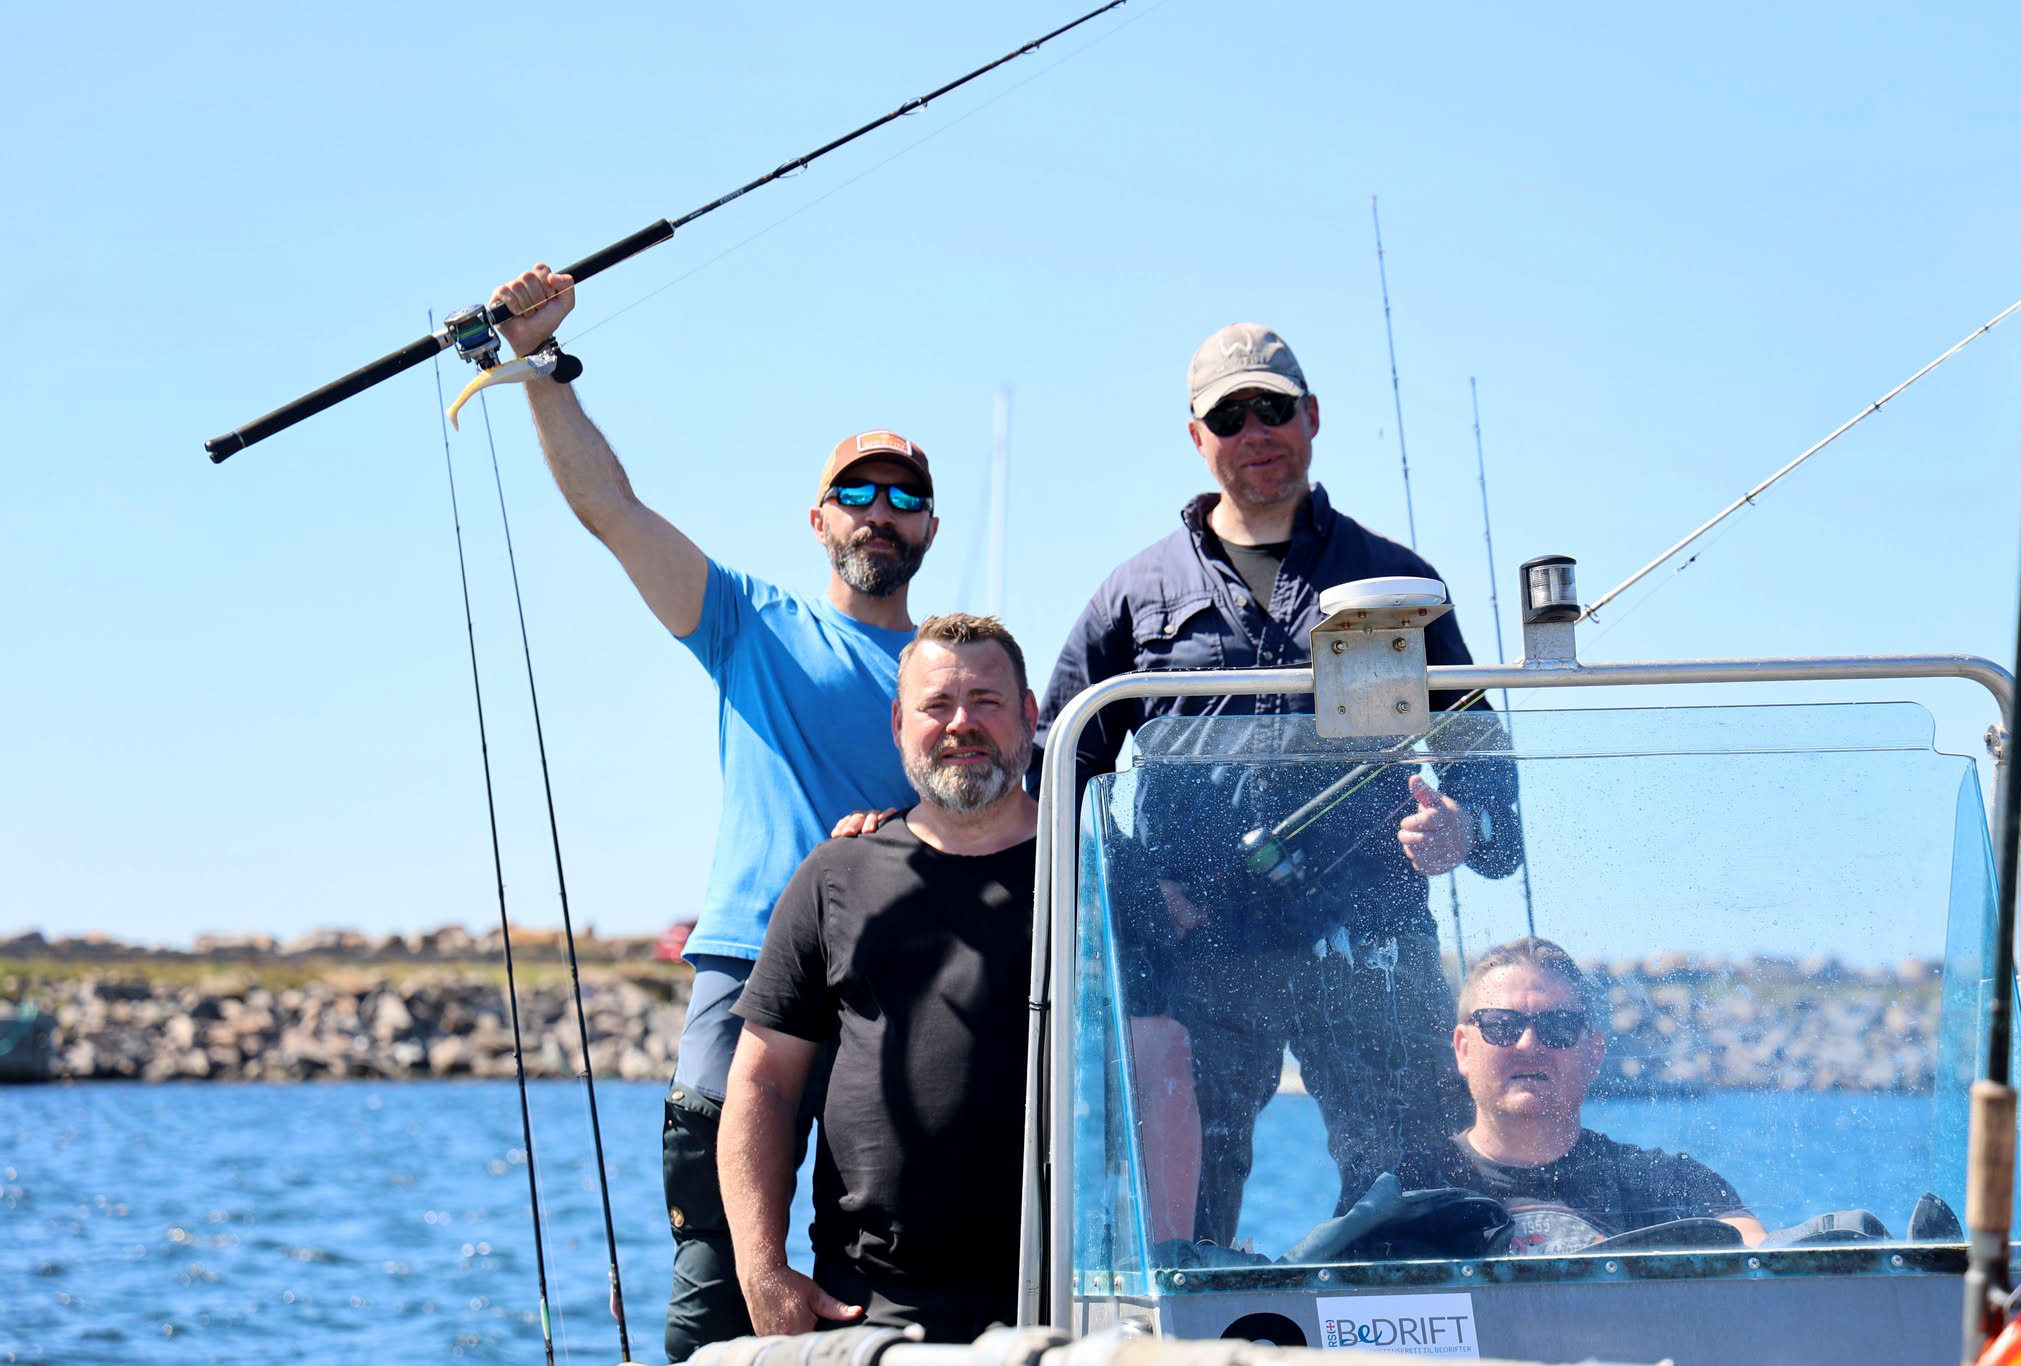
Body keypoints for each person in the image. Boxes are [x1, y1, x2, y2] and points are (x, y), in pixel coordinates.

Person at [491, 265, 940, 1361]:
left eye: (903, 499)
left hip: (897, 988)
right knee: (716, 1279)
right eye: (858, 495)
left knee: (878, 1279)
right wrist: (541, 366)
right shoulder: (746, 619)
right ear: (818, 519)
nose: (879, 515)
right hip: (747, 969)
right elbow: (610, 510)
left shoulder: (953, 678)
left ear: (928, 525)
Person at [1033, 323, 1524, 1246]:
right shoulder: (1131, 595)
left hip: (1373, 944)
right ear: (1197, 438)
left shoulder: (1399, 580)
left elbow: (1482, 761)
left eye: (1273, 408)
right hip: (1197, 953)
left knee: (1410, 1197)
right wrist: (1141, 892)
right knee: (1183, 1213)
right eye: (1230, 416)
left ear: (1313, 417)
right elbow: (1055, 766)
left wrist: (1467, 830)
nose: (1255, 431)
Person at [719, 614, 1039, 1342]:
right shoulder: (835, 873)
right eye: (936, 705)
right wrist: (762, 1271)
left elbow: (1164, 1068)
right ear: (899, 724)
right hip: (870, 1312)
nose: (961, 724)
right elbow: (762, 1084)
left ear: (1028, 713)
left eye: (986, 700)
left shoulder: (1091, 870)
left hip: (1062, 1302)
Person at [1401, 937, 1766, 1251]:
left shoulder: (1670, 1186)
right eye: (1501, 1025)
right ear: (1463, 1049)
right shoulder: (1406, 1197)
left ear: (1594, 1054)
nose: (1529, 1045)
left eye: (1558, 1026)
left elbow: (1759, 1260)